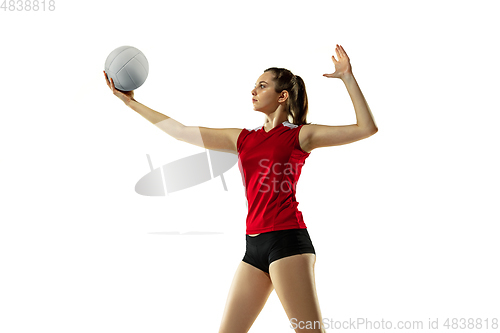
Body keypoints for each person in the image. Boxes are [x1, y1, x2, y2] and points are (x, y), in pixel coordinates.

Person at [104, 44, 377, 333]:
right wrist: (130, 103)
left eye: (262, 85)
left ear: (282, 96)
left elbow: (366, 128)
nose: (254, 91)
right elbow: (181, 132)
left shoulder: (300, 135)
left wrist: (348, 77)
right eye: (254, 86)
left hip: (287, 241)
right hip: (254, 246)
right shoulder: (244, 139)